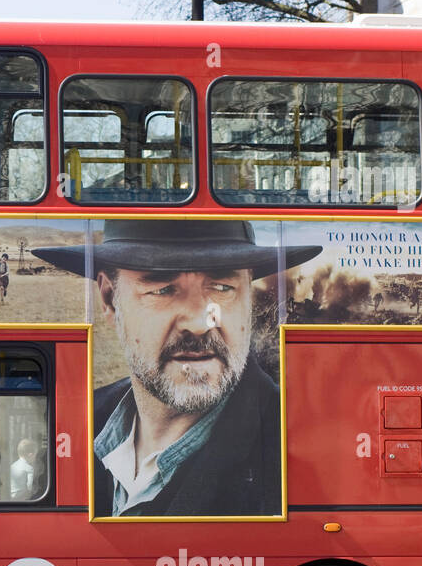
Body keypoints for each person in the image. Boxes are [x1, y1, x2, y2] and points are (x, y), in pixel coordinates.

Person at [34, 219, 320, 517]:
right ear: (110, 299)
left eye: (223, 288)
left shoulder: (293, 448)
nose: (198, 324)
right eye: (162, 290)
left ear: (248, 296)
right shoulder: (77, 425)